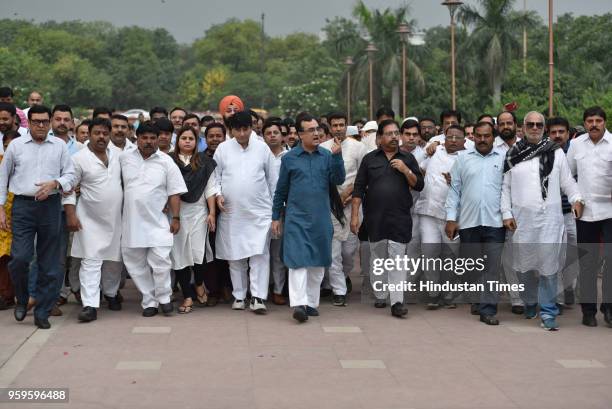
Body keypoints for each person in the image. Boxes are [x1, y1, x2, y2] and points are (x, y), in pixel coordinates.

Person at [501, 111, 583, 331]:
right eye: (530, 124)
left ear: (543, 128)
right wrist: (506, 213)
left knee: (548, 267)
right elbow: (505, 188)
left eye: (539, 124)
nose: (535, 127)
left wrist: (577, 199)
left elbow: (568, 183)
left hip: (550, 220)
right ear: (523, 127)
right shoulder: (513, 154)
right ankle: (530, 302)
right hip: (522, 220)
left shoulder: (555, 153)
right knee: (524, 266)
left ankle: (547, 311)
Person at [0, 104, 76, 329]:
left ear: (50, 121)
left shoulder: (59, 147)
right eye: (36, 122)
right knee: (20, 259)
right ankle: (22, 299)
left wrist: (56, 183)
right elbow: (3, 177)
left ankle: (43, 309)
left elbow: (71, 175)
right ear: (28, 123)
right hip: (23, 206)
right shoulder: (16, 146)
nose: (41, 126)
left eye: (45, 121)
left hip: (50, 206)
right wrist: (1, 207)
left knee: (49, 263)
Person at [272, 112, 345, 322]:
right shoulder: (289, 159)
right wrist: (276, 217)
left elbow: (338, 179)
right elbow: (281, 190)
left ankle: (312, 303)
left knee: (318, 263)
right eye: (311, 130)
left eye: (317, 129)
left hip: (321, 219)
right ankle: (299, 304)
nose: (316, 133)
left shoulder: (327, 156)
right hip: (296, 219)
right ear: (300, 134)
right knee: (298, 261)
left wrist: (338, 156)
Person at [351, 119, 424, 317]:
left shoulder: (407, 158)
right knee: (378, 258)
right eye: (389, 134)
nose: (394, 137)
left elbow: (419, 185)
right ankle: (381, 294)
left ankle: (397, 301)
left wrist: (405, 170)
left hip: (400, 217)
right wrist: (355, 216)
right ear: (379, 138)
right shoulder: (369, 160)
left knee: (397, 259)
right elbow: (358, 188)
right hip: (375, 218)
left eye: (395, 133)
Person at [119, 121, 187, 317]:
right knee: (135, 264)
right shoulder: (124, 158)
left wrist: (176, 217)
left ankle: (164, 298)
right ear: (137, 139)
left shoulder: (166, 162)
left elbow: (175, 192)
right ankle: (149, 301)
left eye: (152, 138)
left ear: (158, 139)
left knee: (161, 262)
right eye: (144, 138)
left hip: (158, 221)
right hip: (131, 222)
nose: (148, 142)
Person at [63, 117, 124, 322]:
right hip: (88, 219)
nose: (101, 137)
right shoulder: (78, 158)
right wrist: (71, 214)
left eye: (105, 133)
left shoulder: (118, 154)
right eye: (97, 133)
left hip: (116, 217)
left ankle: (111, 293)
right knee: (91, 260)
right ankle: (90, 305)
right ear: (89, 134)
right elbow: (69, 188)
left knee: (114, 260)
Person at [445, 121, 505, 326]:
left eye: (486, 136)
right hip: (469, 222)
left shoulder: (504, 158)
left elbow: (508, 189)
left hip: (495, 222)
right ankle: (478, 299)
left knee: (492, 266)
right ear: (474, 137)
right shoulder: (463, 159)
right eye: (478, 136)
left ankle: (488, 309)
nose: (482, 139)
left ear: (493, 137)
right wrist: (451, 218)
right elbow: (454, 190)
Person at [214, 111, 275, 314]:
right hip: (232, 212)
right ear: (231, 130)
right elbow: (215, 177)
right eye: (237, 130)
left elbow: (272, 180)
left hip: (259, 211)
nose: (242, 134)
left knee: (260, 254)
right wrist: (218, 194)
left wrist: (275, 210)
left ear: (252, 127)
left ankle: (258, 297)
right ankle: (239, 296)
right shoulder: (223, 149)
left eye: (245, 129)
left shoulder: (262, 148)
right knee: (235, 255)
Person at [567, 106, 612, 327]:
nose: (594, 124)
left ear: (605, 122)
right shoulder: (576, 145)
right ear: (584, 123)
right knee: (588, 262)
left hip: (610, 211)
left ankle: (609, 308)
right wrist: (576, 197)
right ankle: (588, 310)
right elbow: (568, 175)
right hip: (585, 212)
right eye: (590, 121)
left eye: (598, 120)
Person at [415, 125, 465, 309]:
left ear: (464, 139)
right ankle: (433, 293)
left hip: (452, 215)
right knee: (429, 252)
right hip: (428, 211)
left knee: (451, 255)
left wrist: (458, 182)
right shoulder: (434, 149)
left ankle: (449, 293)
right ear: (444, 137)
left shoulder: (468, 156)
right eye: (449, 137)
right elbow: (418, 166)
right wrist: (430, 148)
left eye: (457, 138)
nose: (452, 140)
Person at [320, 112, 367, 306]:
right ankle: (339, 290)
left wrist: (350, 193)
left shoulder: (359, 147)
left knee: (349, 251)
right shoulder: (323, 148)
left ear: (346, 125)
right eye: (334, 125)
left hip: (353, 206)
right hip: (330, 206)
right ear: (329, 127)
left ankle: (342, 277)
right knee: (333, 252)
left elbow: (365, 176)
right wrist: (336, 197)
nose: (338, 128)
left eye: (341, 125)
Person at [170, 126, 218, 314]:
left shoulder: (205, 162)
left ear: (197, 142)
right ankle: (188, 296)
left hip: (199, 212)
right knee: (179, 255)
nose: (187, 141)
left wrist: (212, 213)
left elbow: (211, 189)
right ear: (178, 141)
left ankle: (199, 284)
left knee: (198, 254)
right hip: (177, 212)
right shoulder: (169, 162)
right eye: (184, 138)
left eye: (192, 138)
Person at [548, 116, 580, 309]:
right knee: (554, 255)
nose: (558, 135)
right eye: (553, 132)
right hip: (551, 214)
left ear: (568, 134)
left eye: (561, 132)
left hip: (572, 214)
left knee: (573, 253)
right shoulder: (542, 153)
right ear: (548, 134)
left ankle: (569, 287)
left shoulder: (576, 152)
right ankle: (557, 297)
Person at [263, 120, 289, 305]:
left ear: (282, 136)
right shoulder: (258, 156)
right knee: (259, 253)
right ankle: (259, 290)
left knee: (278, 253)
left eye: (275, 132)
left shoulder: (290, 157)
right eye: (268, 133)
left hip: (282, 210)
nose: (272, 135)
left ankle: (278, 289)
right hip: (259, 210)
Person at [0, 130, 18, 310]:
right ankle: (5, 295)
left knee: (16, 258)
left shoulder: (25, 167)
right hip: (1, 218)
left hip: (20, 219)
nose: (9, 151)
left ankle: (12, 294)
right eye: (6, 147)